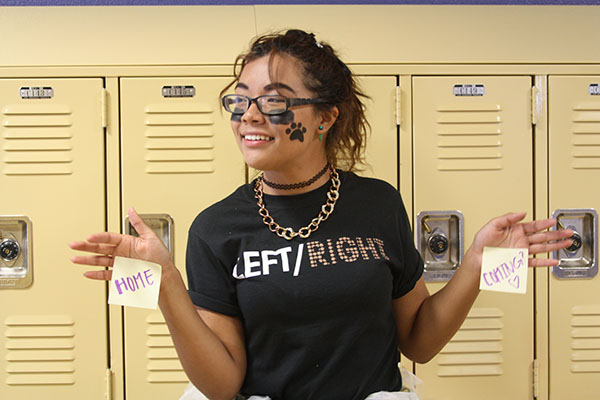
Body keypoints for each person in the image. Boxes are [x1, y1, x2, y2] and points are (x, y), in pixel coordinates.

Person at [69, 29, 573, 400]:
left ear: (325, 117)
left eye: (274, 101)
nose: (248, 115)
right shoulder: (216, 228)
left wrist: (478, 266)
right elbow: (222, 386)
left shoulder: (378, 204)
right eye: (240, 100)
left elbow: (419, 342)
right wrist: (168, 288)